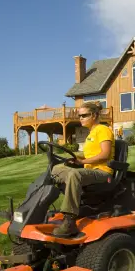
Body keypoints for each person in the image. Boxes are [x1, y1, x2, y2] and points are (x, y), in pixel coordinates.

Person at [51, 101, 115, 236]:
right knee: (56, 169)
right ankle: (38, 208)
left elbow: (105, 154)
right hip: (90, 170)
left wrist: (82, 162)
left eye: (84, 115)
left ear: (94, 115)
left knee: (74, 174)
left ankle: (69, 221)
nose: (80, 118)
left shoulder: (103, 130)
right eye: (80, 116)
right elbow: (89, 154)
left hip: (103, 172)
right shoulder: (91, 134)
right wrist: (76, 158)